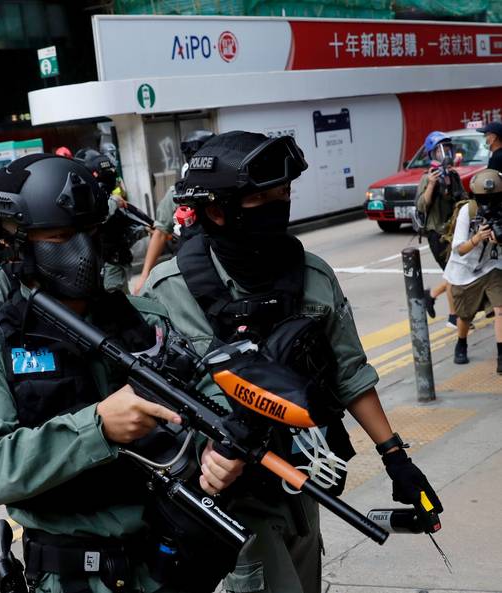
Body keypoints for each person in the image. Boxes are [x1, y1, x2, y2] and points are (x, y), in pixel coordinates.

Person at [142, 131, 441, 593]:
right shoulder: (167, 292)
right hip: (227, 500)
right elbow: (142, 406)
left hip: (302, 484)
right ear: (218, 211)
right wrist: (200, 455)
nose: (280, 208)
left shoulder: (313, 277)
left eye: (284, 195)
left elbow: (349, 374)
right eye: (263, 198)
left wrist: (396, 458)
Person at [0, 154, 247, 593]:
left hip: (168, 560)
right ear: (15, 245)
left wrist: (219, 450)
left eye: (88, 232)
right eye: (61, 237)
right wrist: (98, 428)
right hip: (73, 576)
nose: (82, 251)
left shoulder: (145, 320)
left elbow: (205, 389)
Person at [133, 130, 212, 295]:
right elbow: (161, 232)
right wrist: (144, 275)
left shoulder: (230, 186)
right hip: (190, 267)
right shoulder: (177, 193)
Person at [442, 168, 502, 369]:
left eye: (494, 198)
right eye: (485, 198)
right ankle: (461, 343)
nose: (489, 203)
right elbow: (458, 249)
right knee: (465, 316)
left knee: (501, 308)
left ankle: (501, 356)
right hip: (465, 270)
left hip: (492, 265)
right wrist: (477, 238)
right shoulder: (468, 211)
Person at [77, 148, 149, 293]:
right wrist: (114, 202)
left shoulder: (112, 202)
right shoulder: (92, 203)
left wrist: (146, 230)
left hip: (118, 263)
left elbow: (122, 232)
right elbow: (99, 218)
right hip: (107, 266)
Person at [417, 131, 466, 329]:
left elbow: (462, 198)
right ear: (432, 154)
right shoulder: (428, 177)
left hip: (454, 231)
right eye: (440, 150)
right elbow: (422, 205)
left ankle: (434, 298)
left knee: (456, 273)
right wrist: (431, 184)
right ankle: (455, 317)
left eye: (448, 149)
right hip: (437, 234)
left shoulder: (452, 175)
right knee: (453, 274)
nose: (446, 153)